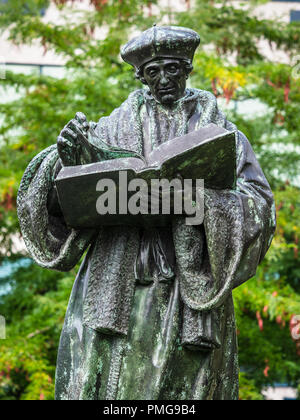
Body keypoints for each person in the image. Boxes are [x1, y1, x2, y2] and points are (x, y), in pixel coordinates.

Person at [17, 26, 276, 400]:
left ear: (187, 69)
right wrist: (67, 159)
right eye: (152, 71)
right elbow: (54, 201)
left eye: (172, 68)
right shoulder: (109, 130)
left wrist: (201, 203)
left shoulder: (222, 134)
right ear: (140, 76)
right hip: (119, 288)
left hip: (188, 292)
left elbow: (260, 207)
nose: (163, 79)